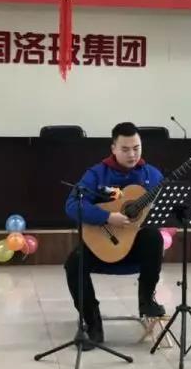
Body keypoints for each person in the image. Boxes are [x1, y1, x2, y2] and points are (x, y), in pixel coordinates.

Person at [64, 122, 166, 348]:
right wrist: (107, 217)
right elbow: (71, 206)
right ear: (113, 148)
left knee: (153, 237)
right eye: (125, 149)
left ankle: (146, 301)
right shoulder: (96, 174)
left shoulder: (152, 175)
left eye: (136, 148)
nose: (132, 154)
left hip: (136, 249)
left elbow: (167, 206)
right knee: (74, 264)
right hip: (103, 245)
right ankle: (92, 322)